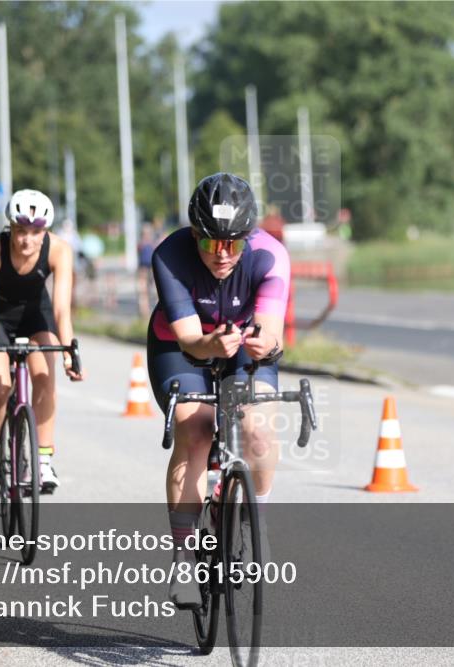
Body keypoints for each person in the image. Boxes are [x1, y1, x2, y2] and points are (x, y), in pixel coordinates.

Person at [147, 173, 290, 608]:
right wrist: (211, 345)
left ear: (249, 236)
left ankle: (256, 521)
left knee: (257, 429)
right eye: (211, 244)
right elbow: (191, 339)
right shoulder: (169, 256)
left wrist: (267, 342)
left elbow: (273, 330)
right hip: (181, 347)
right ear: (195, 235)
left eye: (233, 243)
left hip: (243, 346)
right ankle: (184, 556)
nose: (223, 255)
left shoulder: (270, 257)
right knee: (195, 429)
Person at [0, 188, 83, 499]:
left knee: (45, 375)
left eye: (35, 231)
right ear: (10, 228)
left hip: (35, 313)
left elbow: (60, 310)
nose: (26, 239)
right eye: (19, 231)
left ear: (46, 230)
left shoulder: (60, 250)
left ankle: (43, 460)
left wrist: (70, 351)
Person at [136, 222, 159, 317]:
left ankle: (157, 309)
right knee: (143, 290)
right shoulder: (142, 244)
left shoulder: (152, 243)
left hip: (152, 267)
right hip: (144, 268)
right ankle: (144, 309)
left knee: (156, 288)